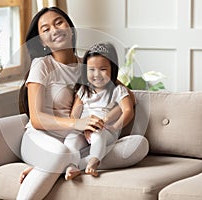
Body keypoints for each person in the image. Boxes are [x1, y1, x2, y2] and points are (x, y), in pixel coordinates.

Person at [17, 7, 149, 200]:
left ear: (70, 28)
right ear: (42, 41)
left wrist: (108, 119)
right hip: (40, 139)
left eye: (58, 22)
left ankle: (56, 167)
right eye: (45, 29)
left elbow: (126, 93)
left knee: (138, 146)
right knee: (61, 152)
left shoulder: (87, 66)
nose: (54, 30)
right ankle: (53, 163)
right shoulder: (42, 65)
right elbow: (37, 119)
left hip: (76, 144)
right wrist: (76, 123)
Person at [64, 42, 135, 178]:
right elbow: (74, 115)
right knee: (70, 140)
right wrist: (81, 126)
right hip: (84, 130)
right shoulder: (83, 90)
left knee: (98, 135)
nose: (97, 74)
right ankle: (72, 166)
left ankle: (93, 161)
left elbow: (128, 110)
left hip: (105, 130)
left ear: (112, 69)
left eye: (102, 69)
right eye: (91, 69)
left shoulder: (117, 90)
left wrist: (114, 127)